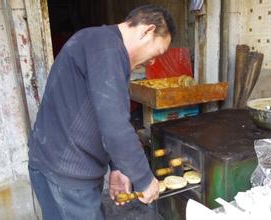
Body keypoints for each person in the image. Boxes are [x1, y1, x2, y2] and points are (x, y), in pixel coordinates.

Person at [27, 4, 175, 220]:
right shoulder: (106, 48)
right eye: (158, 52)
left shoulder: (103, 46)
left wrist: (117, 168)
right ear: (147, 31)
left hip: (61, 169)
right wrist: (144, 178)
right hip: (66, 175)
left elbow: (105, 113)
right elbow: (115, 127)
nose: (153, 61)